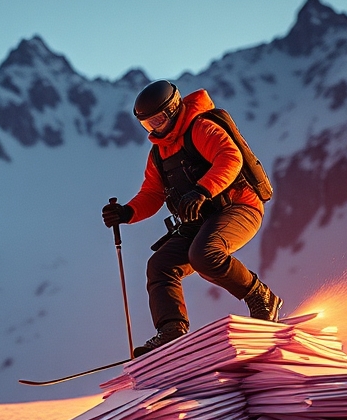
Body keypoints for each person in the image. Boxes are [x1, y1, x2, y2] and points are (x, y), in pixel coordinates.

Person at [102, 80, 282, 357]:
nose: (155, 129)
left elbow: (229, 157)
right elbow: (152, 193)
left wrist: (202, 190)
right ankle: (172, 332)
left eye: (158, 120)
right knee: (160, 265)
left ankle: (261, 298)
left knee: (204, 254)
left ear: (174, 109)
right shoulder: (159, 152)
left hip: (239, 207)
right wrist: (127, 212)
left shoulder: (200, 128)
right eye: (148, 125)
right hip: (199, 220)